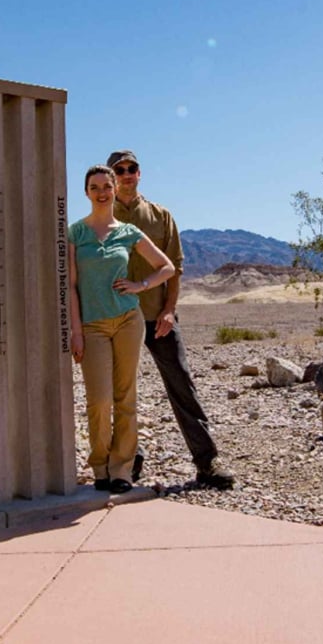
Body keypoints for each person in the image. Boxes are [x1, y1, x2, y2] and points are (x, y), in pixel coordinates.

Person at [106, 150, 236, 489]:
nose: (126, 174)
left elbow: (174, 268)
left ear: (139, 173)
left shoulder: (161, 216)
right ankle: (129, 458)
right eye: (119, 170)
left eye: (131, 168)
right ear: (111, 175)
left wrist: (168, 311)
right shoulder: (103, 217)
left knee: (182, 386)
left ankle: (207, 462)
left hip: (157, 318)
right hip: (118, 319)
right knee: (121, 391)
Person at [69, 165, 175, 494]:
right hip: (92, 326)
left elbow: (167, 267)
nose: (101, 192)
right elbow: (70, 286)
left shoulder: (127, 232)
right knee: (99, 400)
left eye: (106, 186)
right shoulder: (76, 233)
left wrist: (140, 284)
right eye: (94, 187)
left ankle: (121, 470)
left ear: (115, 190)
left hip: (128, 321)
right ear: (86, 192)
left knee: (125, 397)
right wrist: (76, 330)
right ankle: (99, 465)